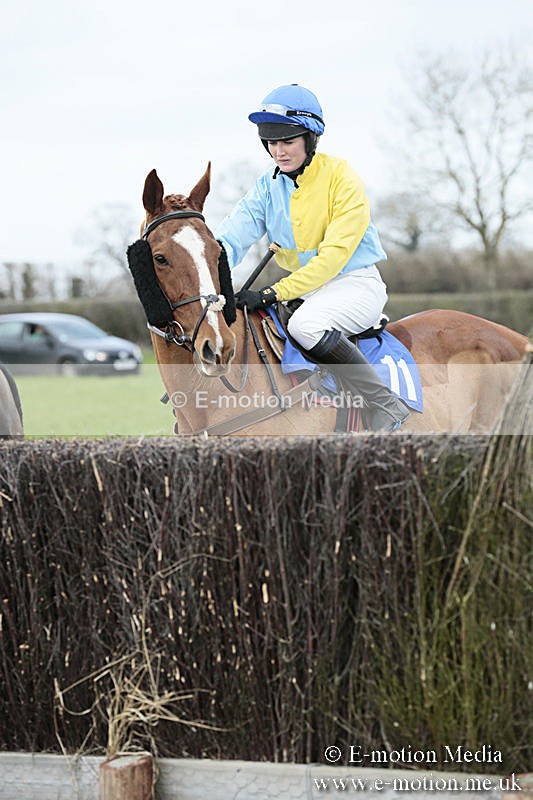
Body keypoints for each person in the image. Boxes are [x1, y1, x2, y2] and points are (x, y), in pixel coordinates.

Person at [216, 83, 410, 432]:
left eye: (288, 141)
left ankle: (385, 404)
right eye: (272, 143)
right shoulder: (266, 187)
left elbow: (332, 259)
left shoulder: (342, 177)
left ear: (311, 138)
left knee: (305, 326)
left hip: (354, 285)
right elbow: (230, 239)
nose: (279, 151)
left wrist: (273, 292)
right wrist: (210, 280)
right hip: (306, 292)